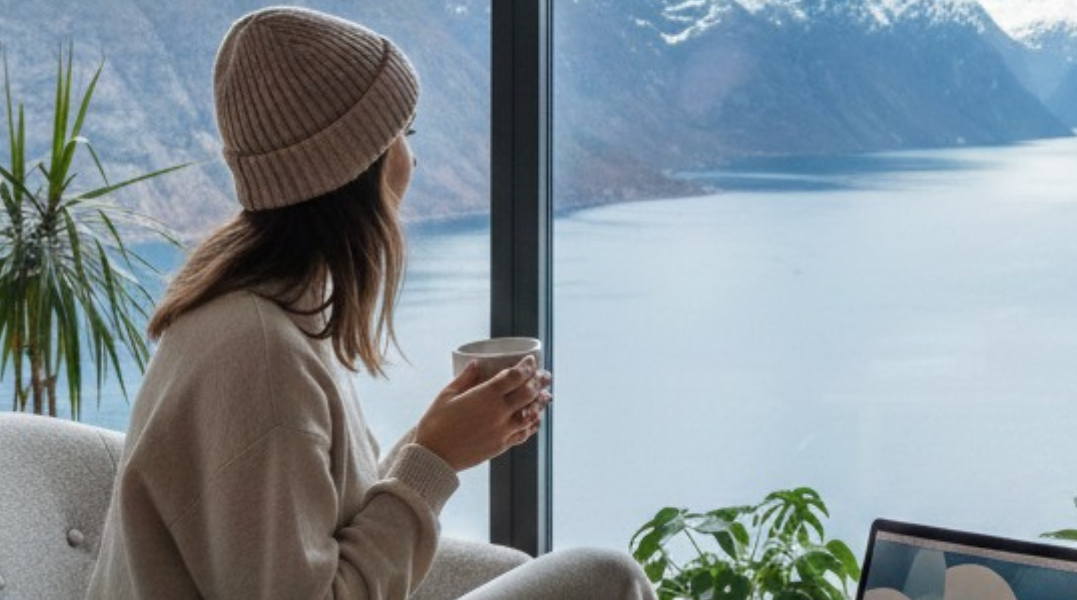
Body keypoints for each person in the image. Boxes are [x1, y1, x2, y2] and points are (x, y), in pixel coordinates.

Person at [82, 7, 651, 600]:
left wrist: (434, 438)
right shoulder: (260, 354)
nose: (413, 159)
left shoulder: (265, 309)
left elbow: (316, 528)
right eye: (403, 136)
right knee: (606, 580)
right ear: (355, 170)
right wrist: (434, 459)